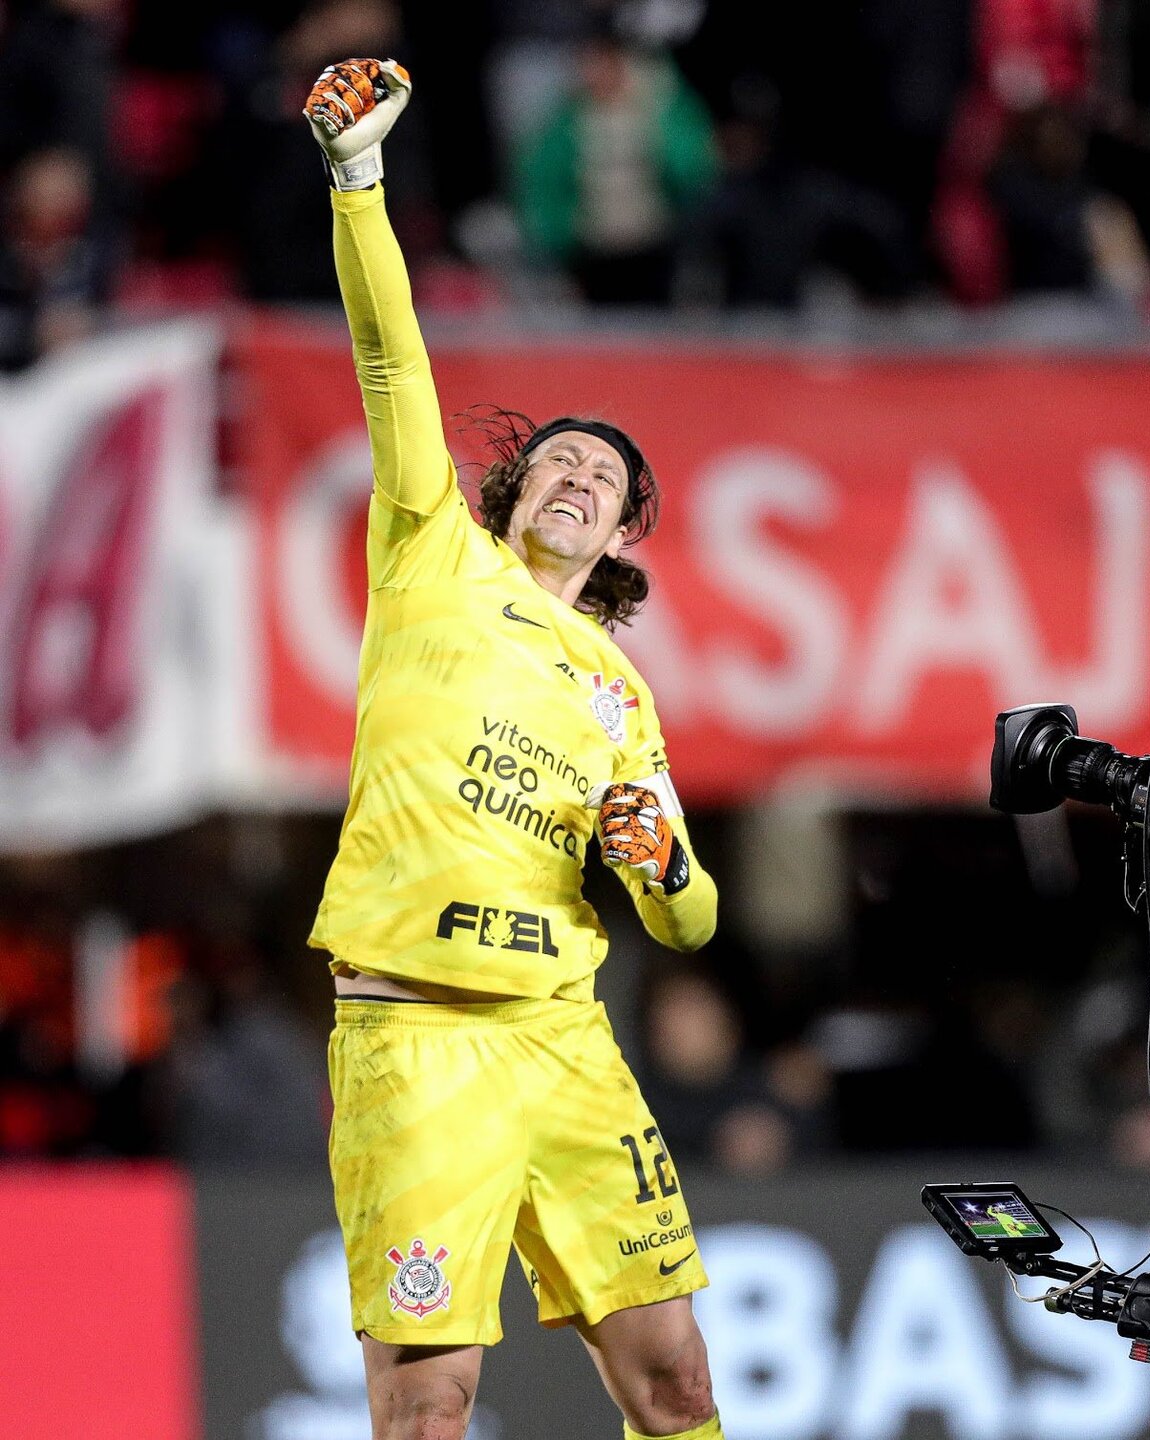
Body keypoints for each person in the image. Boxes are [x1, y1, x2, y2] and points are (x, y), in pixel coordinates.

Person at [301, 58, 724, 1440]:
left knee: (674, 1385)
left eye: (604, 476)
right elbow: (388, 356)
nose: (580, 472)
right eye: (557, 458)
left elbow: (690, 918)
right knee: (428, 1411)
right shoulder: (431, 552)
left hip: (564, 1043)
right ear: (512, 493)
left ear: (617, 541)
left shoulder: (620, 693)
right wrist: (357, 181)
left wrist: (658, 862)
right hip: (415, 1042)